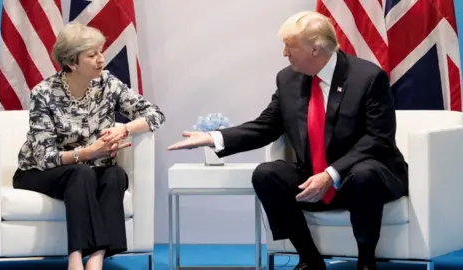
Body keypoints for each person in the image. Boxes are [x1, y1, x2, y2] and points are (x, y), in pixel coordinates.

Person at [167, 11, 408, 270]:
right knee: (267, 174)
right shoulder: (288, 79)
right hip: (313, 175)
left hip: (364, 175)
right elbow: (266, 126)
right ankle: (310, 259)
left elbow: (377, 139)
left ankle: (366, 261)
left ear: (315, 48)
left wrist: (330, 174)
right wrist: (212, 137)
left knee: (364, 173)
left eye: (290, 46)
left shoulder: (368, 77)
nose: (284, 52)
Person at [13, 23, 165, 270]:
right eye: (92, 55)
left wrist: (124, 129)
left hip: (90, 168)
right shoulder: (44, 93)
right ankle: (75, 258)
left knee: (115, 174)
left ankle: (96, 259)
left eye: (100, 52)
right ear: (72, 63)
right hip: (40, 172)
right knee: (81, 171)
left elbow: (155, 114)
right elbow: (44, 157)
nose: (101, 59)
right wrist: (87, 153)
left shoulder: (107, 84)